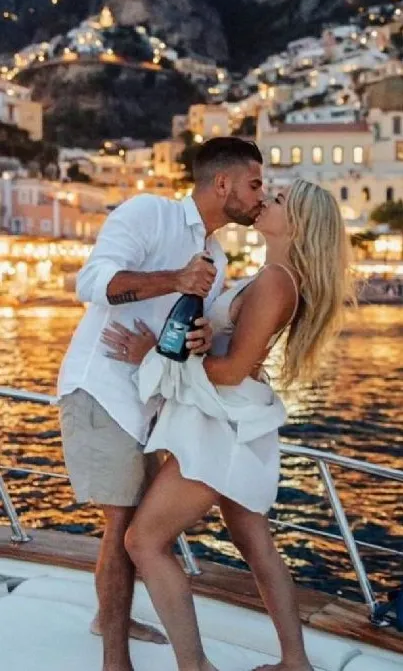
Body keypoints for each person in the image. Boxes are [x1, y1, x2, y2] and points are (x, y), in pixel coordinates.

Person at [102, 178, 352, 671]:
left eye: (276, 200)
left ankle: (195, 666)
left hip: (220, 428)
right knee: (256, 544)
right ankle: (295, 663)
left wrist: (151, 354)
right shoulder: (272, 276)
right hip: (232, 421)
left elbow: (234, 370)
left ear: (297, 222)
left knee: (143, 541)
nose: (264, 201)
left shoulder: (276, 281)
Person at [57, 136, 265, 671]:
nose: (260, 196)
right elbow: (93, 282)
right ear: (223, 184)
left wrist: (204, 340)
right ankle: (114, 659)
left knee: (131, 527)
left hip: (147, 404)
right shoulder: (150, 213)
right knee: (124, 522)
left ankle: (111, 618)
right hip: (101, 386)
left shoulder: (216, 258)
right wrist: (174, 279)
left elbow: (190, 332)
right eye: (255, 184)